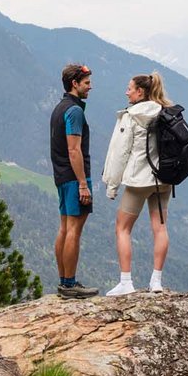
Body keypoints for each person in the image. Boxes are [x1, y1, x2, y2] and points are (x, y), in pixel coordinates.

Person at [101, 71, 173, 295]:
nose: (126, 92)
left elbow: (119, 153)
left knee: (122, 228)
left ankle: (126, 282)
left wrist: (112, 186)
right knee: (160, 228)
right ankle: (157, 282)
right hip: (163, 180)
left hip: (139, 181)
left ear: (140, 92)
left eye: (129, 88)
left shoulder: (131, 116)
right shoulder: (166, 112)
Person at [49, 63, 97, 298]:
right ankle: (69, 284)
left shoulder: (60, 108)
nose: (90, 86)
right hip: (73, 177)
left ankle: (63, 282)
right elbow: (74, 150)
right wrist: (83, 183)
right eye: (87, 83)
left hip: (61, 176)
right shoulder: (75, 111)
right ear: (74, 84)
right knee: (74, 230)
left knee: (65, 228)